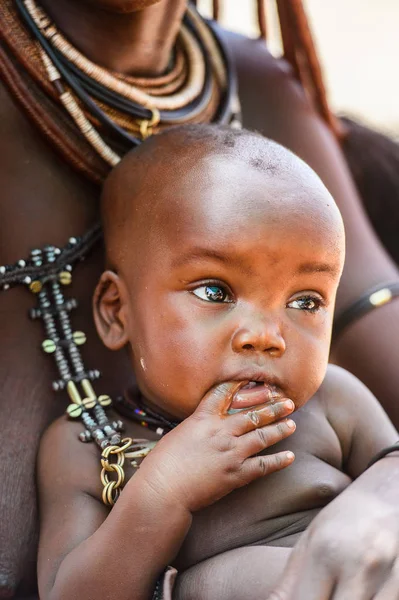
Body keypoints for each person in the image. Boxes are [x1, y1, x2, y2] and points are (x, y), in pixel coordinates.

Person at [2, 1, 399, 597]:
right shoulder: (89, 447)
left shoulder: (329, 403)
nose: (267, 333)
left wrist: (376, 505)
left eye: (307, 301)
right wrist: (161, 493)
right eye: (215, 291)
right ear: (114, 312)